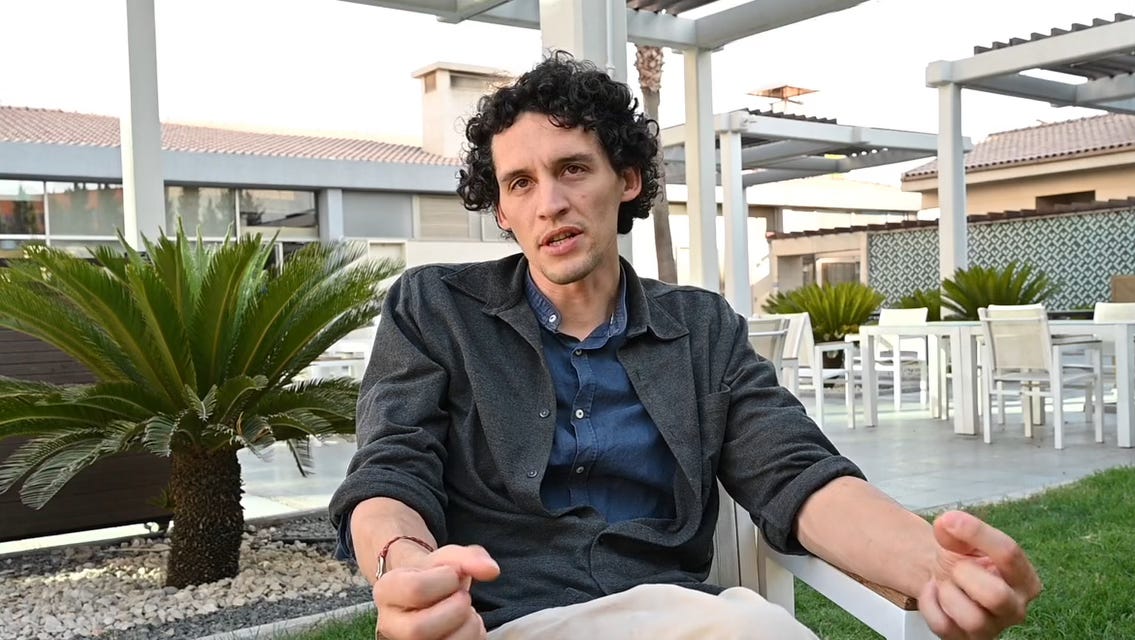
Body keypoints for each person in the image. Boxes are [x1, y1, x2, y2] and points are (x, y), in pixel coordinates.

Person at [329, 52, 1042, 640]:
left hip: (673, 618)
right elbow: (391, 468)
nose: (549, 203)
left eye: (572, 168)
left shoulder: (701, 330)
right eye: (521, 183)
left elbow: (792, 472)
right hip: (492, 622)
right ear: (504, 211)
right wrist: (406, 565)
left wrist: (932, 566)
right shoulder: (436, 308)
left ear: (627, 179)